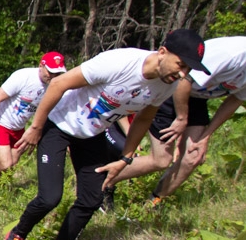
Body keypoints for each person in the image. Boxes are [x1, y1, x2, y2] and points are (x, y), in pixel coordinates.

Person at [1, 30, 206, 240]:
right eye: (180, 65)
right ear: (162, 52)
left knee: (92, 199)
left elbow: (143, 119)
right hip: (58, 125)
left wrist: (125, 158)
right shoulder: (118, 63)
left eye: (188, 70)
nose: (182, 74)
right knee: (50, 198)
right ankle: (17, 235)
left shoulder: (167, 84)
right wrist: (36, 127)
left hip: (92, 135)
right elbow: (58, 83)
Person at [105, 36, 246, 206]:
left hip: (197, 99)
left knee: (194, 156)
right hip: (172, 88)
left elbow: (235, 101)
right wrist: (181, 118)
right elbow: (183, 78)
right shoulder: (232, 54)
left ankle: (153, 203)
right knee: (161, 160)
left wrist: (206, 136)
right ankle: (103, 183)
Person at [0, 52, 66, 177]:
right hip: (1, 123)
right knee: (5, 164)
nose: (53, 76)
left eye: (57, 73)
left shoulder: (56, 85)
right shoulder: (23, 76)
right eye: (50, 72)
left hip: (19, 128)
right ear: (41, 66)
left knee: (12, 164)